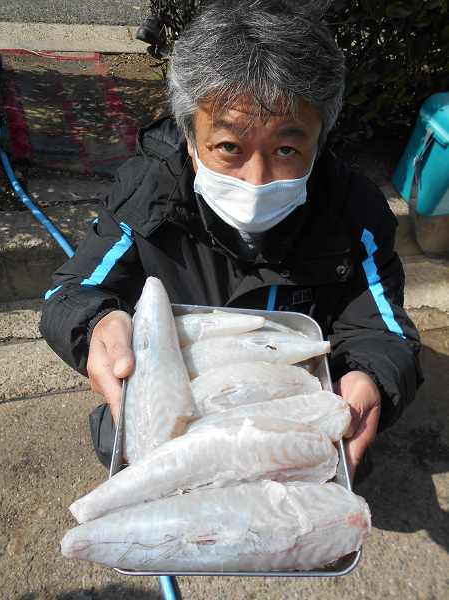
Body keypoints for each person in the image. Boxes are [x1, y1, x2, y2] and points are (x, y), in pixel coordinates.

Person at [40, 0, 423, 484]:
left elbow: (384, 333)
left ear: (320, 139)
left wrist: (370, 377)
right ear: (189, 135)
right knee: (115, 443)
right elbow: (70, 292)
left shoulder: (356, 213)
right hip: (182, 408)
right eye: (228, 146)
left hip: (290, 409)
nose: (258, 179)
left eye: (287, 149)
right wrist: (95, 323)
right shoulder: (146, 196)